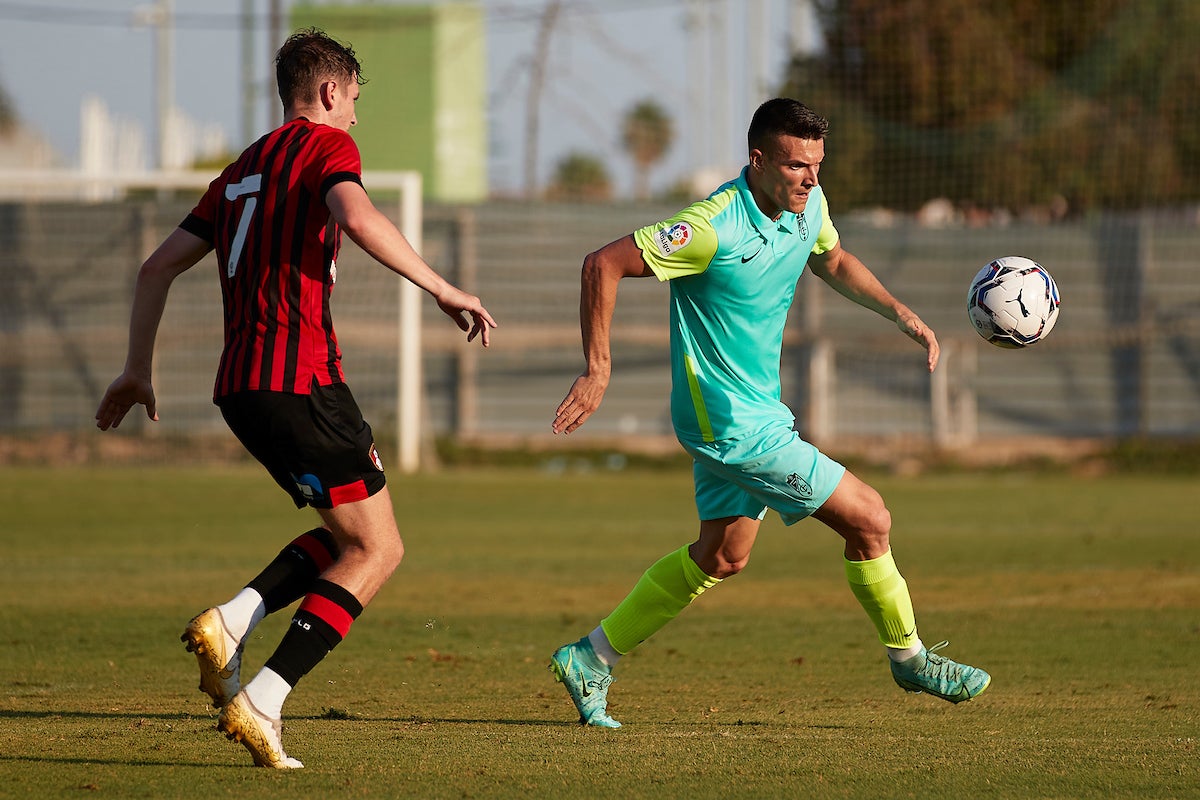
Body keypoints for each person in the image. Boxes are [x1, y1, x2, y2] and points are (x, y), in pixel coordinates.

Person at [95, 28, 496, 768]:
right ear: (331, 92)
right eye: (353, 104)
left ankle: (234, 617)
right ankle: (265, 698)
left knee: (351, 536)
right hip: (302, 378)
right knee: (380, 548)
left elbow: (155, 268)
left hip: (240, 389)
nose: (354, 120)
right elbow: (356, 216)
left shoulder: (241, 170)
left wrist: (136, 369)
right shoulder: (326, 150)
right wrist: (444, 287)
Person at [548, 98, 989, 728]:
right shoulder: (712, 226)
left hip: (756, 413)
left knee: (723, 555)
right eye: (795, 166)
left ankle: (590, 657)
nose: (810, 179)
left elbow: (832, 260)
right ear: (757, 160)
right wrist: (598, 368)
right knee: (871, 518)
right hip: (728, 422)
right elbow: (603, 263)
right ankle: (911, 657)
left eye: (817, 165)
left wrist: (900, 313)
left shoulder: (808, 207)